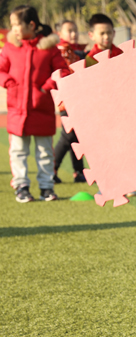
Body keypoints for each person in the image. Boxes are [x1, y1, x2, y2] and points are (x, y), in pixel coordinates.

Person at [0, 5, 69, 203]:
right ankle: (21, 186)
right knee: (18, 151)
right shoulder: (10, 48)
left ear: (31, 25)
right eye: (11, 25)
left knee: (45, 152)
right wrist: (9, 83)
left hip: (42, 109)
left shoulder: (49, 48)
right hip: (16, 111)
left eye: (16, 24)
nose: (13, 29)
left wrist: (45, 88)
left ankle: (46, 187)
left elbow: (61, 71)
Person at [53, 19, 87, 184]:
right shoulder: (61, 50)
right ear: (59, 34)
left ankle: (78, 171)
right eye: (69, 31)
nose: (74, 34)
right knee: (68, 135)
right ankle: (52, 169)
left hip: (79, 98)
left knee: (77, 135)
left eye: (75, 30)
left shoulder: (78, 50)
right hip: (66, 99)